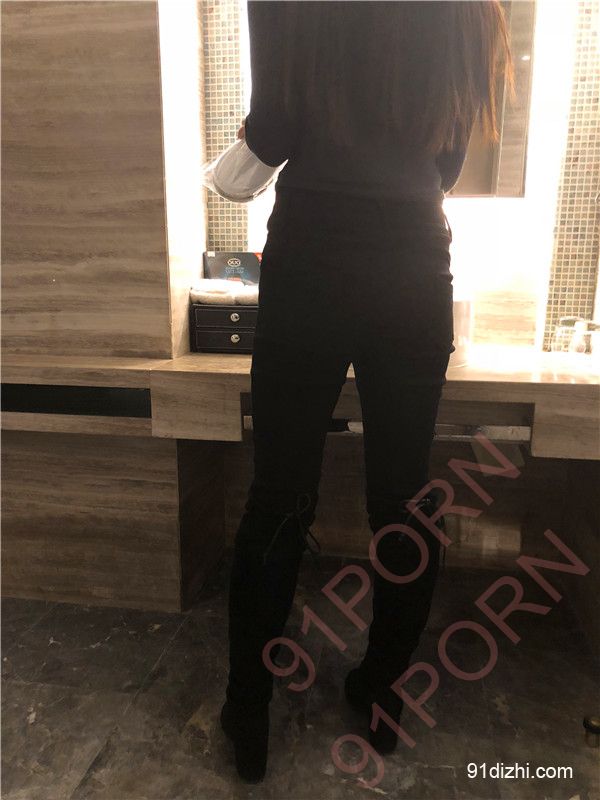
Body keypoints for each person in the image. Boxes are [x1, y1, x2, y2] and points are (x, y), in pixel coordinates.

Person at [220, 0, 511, 783]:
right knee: (404, 498)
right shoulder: (468, 8)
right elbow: (449, 158)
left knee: (279, 494)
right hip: (413, 258)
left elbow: (273, 131)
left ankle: (248, 708)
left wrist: (232, 170)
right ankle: (382, 694)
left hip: (312, 252)